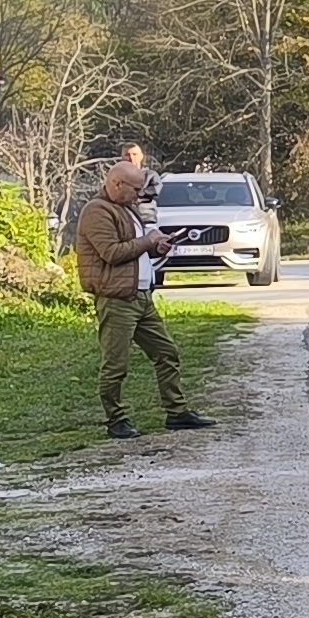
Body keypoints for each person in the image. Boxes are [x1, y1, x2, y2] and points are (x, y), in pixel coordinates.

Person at [73, 162, 210, 438]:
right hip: (116, 298)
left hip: (142, 296)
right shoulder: (96, 211)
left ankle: (177, 412)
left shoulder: (127, 208)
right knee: (116, 363)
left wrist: (158, 246)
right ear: (116, 184)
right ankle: (116, 420)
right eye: (135, 189)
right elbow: (111, 253)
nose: (139, 195)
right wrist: (148, 242)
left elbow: (135, 250)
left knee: (166, 352)